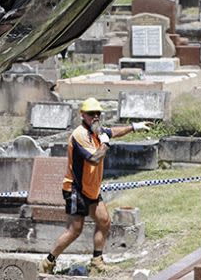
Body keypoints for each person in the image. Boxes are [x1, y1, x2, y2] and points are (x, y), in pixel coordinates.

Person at [40, 97, 153, 274]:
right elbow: (94, 159)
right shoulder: (79, 135)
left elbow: (113, 131)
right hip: (76, 189)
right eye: (91, 113)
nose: (95, 116)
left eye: (98, 113)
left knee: (104, 221)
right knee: (74, 231)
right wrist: (106, 142)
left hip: (91, 189)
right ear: (83, 115)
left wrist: (134, 126)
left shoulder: (96, 130)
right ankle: (47, 263)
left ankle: (97, 262)